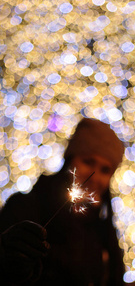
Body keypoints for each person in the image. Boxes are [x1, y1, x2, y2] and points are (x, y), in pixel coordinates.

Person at [0, 117, 125, 286]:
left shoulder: (102, 229)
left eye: (105, 170)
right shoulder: (25, 208)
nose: (94, 176)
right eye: (88, 162)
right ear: (70, 160)